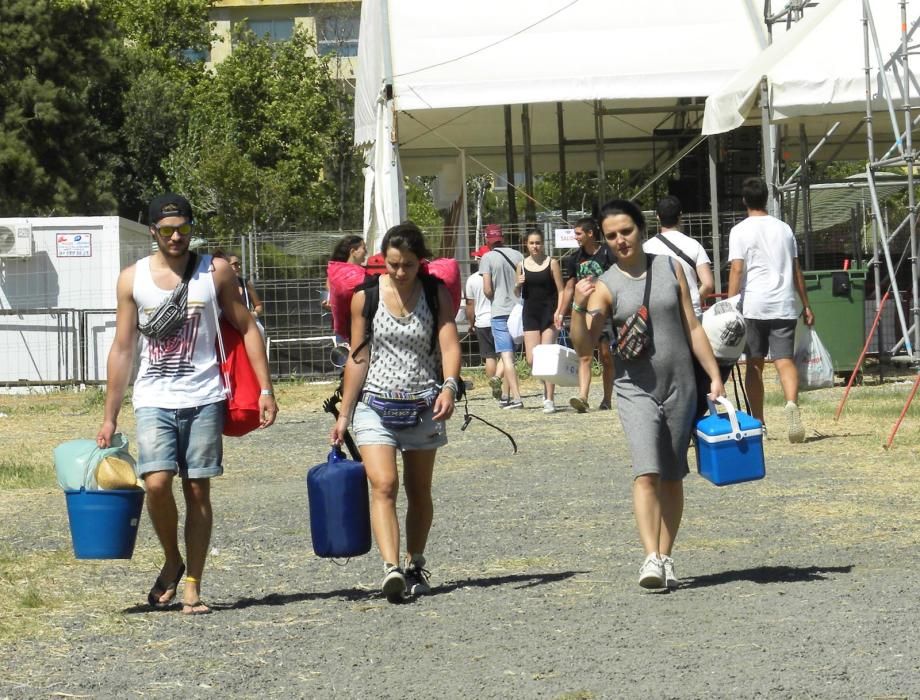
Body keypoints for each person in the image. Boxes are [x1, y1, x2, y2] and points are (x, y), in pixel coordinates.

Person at [96, 193, 278, 615]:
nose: (176, 237)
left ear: (192, 228)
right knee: (156, 483)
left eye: (184, 229)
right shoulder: (132, 279)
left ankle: (193, 582)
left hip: (204, 395)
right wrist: (110, 414)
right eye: (166, 230)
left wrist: (265, 389)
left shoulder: (212, 273)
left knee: (197, 489)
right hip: (153, 397)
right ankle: (172, 559)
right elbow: (123, 349)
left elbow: (247, 327)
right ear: (152, 232)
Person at [570, 199, 724, 591]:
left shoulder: (669, 267)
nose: (621, 240)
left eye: (627, 231)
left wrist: (713, 376)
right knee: (646, 472)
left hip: (681, 385)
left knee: (672, 475)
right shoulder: (606, 285)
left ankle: (667, 557)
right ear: (604, 241)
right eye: (612, 236)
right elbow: (584, 344)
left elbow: (692, 326)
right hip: (633, 388)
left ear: (642, 228)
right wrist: (577, 305)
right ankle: (650, 557)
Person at [329, 222, 461, 602]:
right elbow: (358, 356)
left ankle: (415, 562)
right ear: (382, 261)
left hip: (424, 405)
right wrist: (344, 413)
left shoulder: (435, 295)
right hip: (375, 404)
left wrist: (450, 386)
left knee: (419, 490)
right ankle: (391, 569)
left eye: (407, 265)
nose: (400, 272)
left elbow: (449, 345)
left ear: (421, 262)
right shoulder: (364, 298)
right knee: (383, 484)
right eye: (392, 264)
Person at [727, 176, 814, 443]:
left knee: (754, 365)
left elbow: (737, 269)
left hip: (754, 305)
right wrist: (806, 304)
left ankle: (760, 423)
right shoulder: (784, 229)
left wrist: (730, 304)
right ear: (766, 198)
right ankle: (791, 404)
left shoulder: (739, 231)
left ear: (744, 200)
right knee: (784, 360)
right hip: (784, 304)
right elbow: (796, 269)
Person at [560, 217, 615, 412]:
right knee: (584, 355)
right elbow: (569, 287)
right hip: (584, 311)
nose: (575, 237)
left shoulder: (608, 254)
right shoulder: (574, 259)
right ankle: (583, 396)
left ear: (590, 234)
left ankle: (607, 399)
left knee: (606, 357)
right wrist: (560, 311)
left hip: (606, 312)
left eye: (578, 233)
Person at [515, 229, 565, 413]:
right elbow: (516, 293)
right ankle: (545, 385)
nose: (535, 246)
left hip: (549, 312)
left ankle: (549, 399)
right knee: (531, 359)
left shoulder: (552, 263)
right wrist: (518, 284)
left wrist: (559, 312)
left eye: (538, 243)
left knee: (547, 357)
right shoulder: (521, 264)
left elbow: (561, 290)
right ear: (526, 245)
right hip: (530, 313)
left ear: (543, 244)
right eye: (531, 243)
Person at [644, 195, 714, 319]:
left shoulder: (646, 248)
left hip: (661, 317)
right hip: (691, 315)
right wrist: (693, 301)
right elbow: (708, 284)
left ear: (658, 217)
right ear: (680, 215)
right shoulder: (694, 245)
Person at [480, 228, 525, 409]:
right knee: (511, 356)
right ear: (503, 238)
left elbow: (487, 289)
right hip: (517, 310)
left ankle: (517, 398)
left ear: (487, 240)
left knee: (505, 356)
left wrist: (494, 299)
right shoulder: (517, 255)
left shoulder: (487, 258)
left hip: (499, 311)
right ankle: (506, 395)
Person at [465, 245, 504, 398]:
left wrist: (471, 323)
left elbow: (470, 304)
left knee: (489, 356)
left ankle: (493, 387)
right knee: (505, 355)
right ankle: (502, 382)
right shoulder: (498, 276)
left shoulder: (472, 279)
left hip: (481, 321)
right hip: (499, 317)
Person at [323, 235, 368, 314]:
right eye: (364, 248)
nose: (366, 252)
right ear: (353, 252)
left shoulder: (334, 274)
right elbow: (329, 301)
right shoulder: (363, 276)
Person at [226, 254, 264, 322]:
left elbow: (259, 306)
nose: (239, 267)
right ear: (226, 266)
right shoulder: (221, 287)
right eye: (235, 264)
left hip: (246, 325)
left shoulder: (246, 284)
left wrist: (254, 314)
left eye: (239, 264)